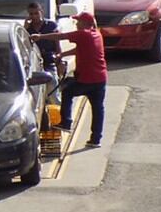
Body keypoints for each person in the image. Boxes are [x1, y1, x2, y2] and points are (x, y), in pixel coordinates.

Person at [30, 12, 107, 148]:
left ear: (85, 23)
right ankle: (96, 139)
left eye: (78, 22)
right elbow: (81, 50)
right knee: (98, 108)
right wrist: (62, 54)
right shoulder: (96, 35)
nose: (76, 24)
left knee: (67, 92)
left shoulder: (83, 34)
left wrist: (40, 36)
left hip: (86, 79)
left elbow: (61, 36)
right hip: (100, 79)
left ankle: (66, 122)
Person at [25, 2, 60, 103]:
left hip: (49, 62)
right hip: (34, 64)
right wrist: (26, 28)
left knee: (53, 92)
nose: (34, 16)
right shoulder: (28, 28)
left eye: (36, 13)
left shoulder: (51, 25)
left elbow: (57, 45)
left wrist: (59, 61)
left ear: (41, 12)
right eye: (31, 14)